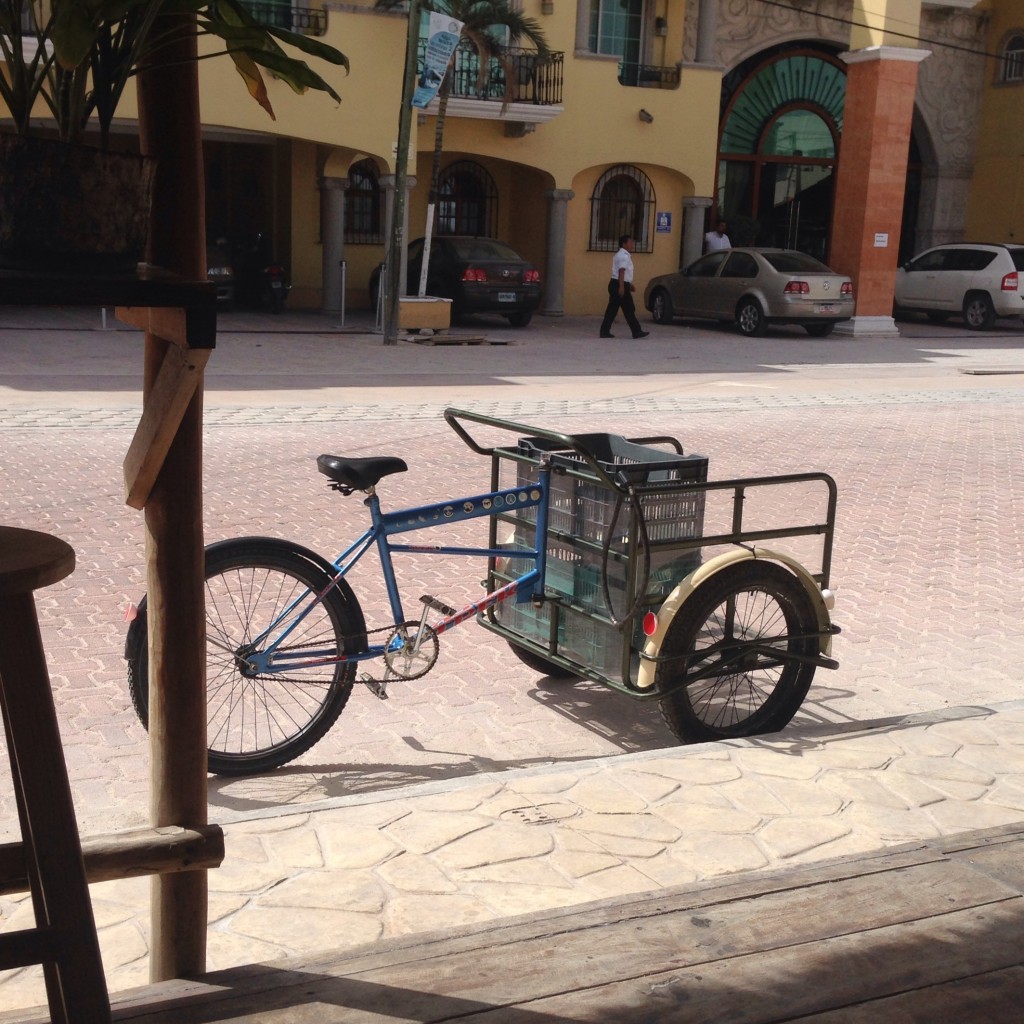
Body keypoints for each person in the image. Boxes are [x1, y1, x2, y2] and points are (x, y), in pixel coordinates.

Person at [599, 234, 649, 339]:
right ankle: (636, 331)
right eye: (630, 242)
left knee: (613, 309)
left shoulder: (621, 255)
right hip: (619, 284)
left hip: (618, 283)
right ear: (624, 244)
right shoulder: (623, 256)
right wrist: (622, 287)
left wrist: (629, 284)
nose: (632, 244)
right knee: (628, 309)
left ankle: (604, 331)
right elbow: (621, 271)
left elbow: (623, 273)